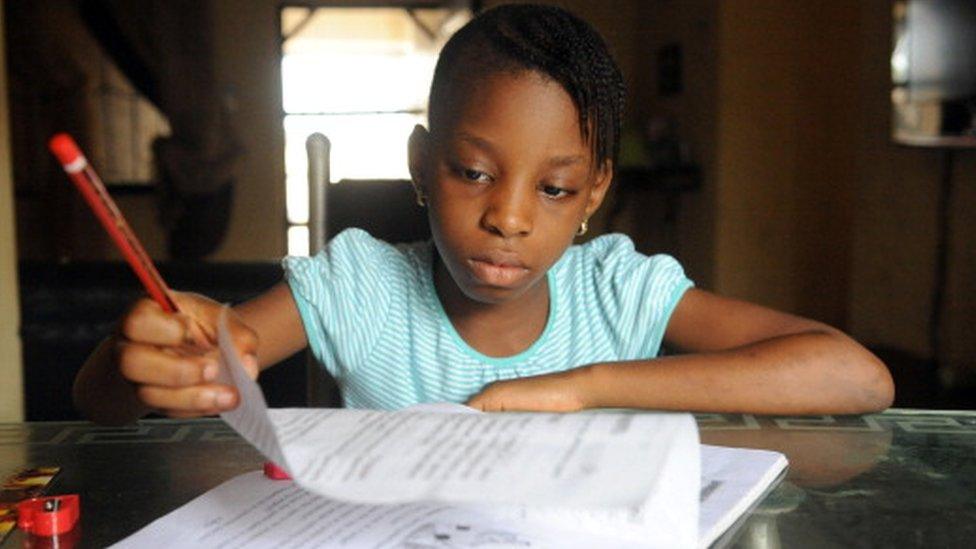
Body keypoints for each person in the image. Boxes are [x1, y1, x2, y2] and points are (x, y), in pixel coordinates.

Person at [73, 4, 894, 425]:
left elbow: (857, 375)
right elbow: (104, 406)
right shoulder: (359, 285)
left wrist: (584, 388)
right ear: (422, 167)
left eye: (555, 188)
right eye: (473, 171)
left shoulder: (618, 290)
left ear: (596, 193)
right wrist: (140, 357)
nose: (508, 217)